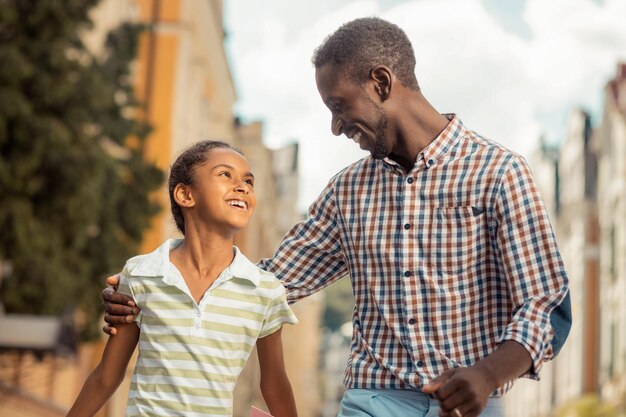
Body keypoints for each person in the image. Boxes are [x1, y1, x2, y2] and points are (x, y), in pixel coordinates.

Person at [102, 18, 571, 417]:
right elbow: (269, 283)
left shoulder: (499, 173)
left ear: (381, 83)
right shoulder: (349, 192)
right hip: (373, 400)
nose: (335, 126)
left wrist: (486, 376)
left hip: (474, 403)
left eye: (339, 105)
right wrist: (155, 285)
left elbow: (546, 305)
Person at [69, 141, 298, 417]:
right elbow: (106, 377)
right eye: (226, 175)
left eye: (249, 181)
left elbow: (274, 383)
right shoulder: (141, 274)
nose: (243, 187)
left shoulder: (265, 291)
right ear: (185, 195)